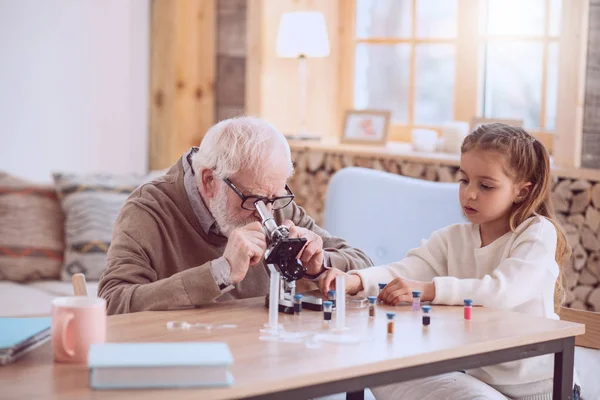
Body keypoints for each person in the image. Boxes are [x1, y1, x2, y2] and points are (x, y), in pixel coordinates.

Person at [320, 123, 580, 399]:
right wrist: (355, 280)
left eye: (486, 186)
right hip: (481, 382)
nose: (469, 193)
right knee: (374, 368)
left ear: (522, 192)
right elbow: (404, 271)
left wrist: (430, 289)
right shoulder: (453, 238)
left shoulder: (537, 233)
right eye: (464, 180)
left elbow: (501, 293)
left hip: (543, 389)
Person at [98, 116, 373, 315]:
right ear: (209, 180)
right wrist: (221, 271)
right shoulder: (148, 210)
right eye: (252, 199)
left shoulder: (274, 204)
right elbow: (113, 303)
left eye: (274, 199)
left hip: (267, 361)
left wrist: (319, 263)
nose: (265, 214)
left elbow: (364, 264)